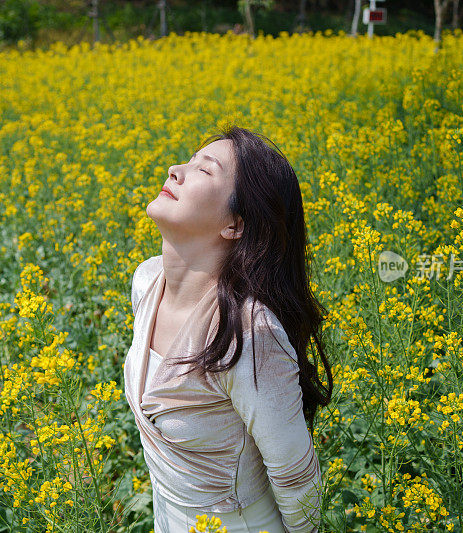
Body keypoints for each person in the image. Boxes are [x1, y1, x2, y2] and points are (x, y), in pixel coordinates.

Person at [123, 125, 333, 533]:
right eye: (187, 159)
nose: (174, 170)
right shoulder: (147, 282)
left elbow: (295, 476)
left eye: (205, 169)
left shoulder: (247, 333)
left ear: (235, 225)